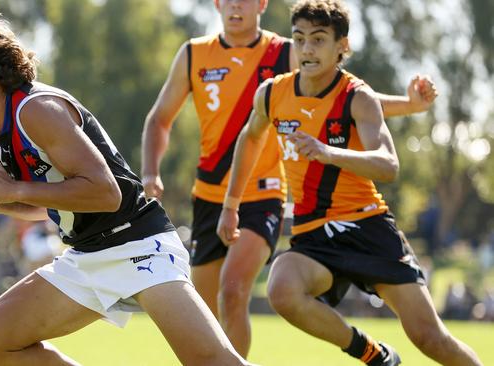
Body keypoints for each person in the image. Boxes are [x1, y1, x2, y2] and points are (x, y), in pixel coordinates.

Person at [0, 10, 247, 366]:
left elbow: (105, 193)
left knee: (215, 362)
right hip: (86, 255)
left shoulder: (37, 110)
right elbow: (49, 204)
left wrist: (12, 191)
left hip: (137, 243)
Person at [141, 0, 437, 357]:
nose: (236, 5)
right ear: (216, 3)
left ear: (262, 4)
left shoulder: (288, 50)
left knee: (232, 290)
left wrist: (408, 106)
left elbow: (345, 97)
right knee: (202, 312)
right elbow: (159, 119)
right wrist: (150, 173)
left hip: (263, 195)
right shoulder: (193, 54)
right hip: (208, 196)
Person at [217, 0, 483, 365]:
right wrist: (230, 206)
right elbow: (250, 140)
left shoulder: (358, 98)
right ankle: (373, 353)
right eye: (300, 39)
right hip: (314, 234)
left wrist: (328, 153)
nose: (307, 49)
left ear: (342, 46)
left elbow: (388, 166)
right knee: (282, 288)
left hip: (368, 227)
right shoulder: (272, 94)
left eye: (319, 39)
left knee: (429, 336)